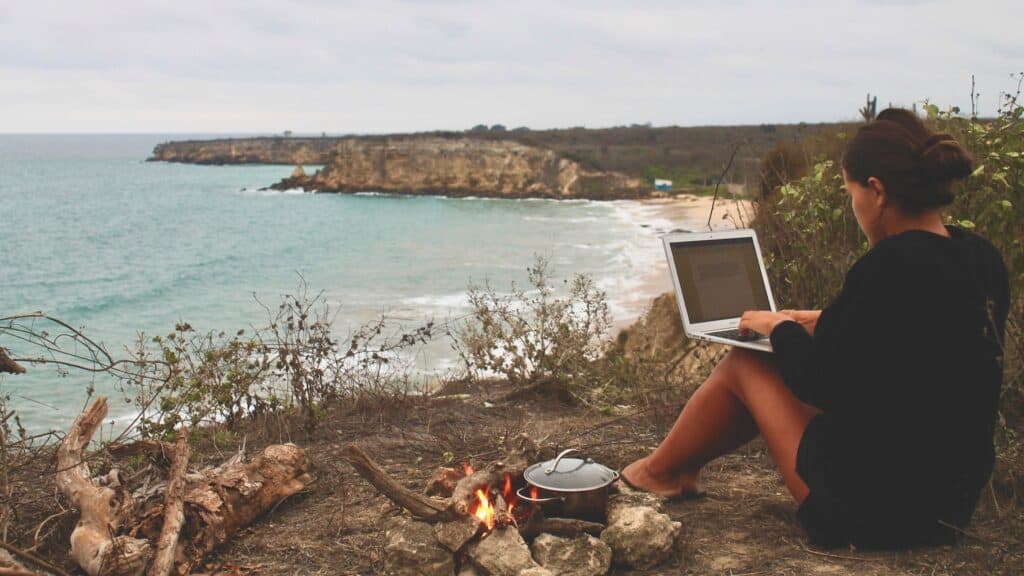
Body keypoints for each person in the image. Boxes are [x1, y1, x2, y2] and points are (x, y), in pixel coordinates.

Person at [620, 108, 1009, 549]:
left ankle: (659, 472)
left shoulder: (887, 265)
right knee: (777, 349)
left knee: (747, 360)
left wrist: (779, 329)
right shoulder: (980, 257)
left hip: (872, 513)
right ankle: (679, 469)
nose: (854, 207)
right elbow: (925, 334)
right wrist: (822, 320)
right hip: (949, 508)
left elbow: (821, 384)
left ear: (877, 191)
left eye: (851, 193)